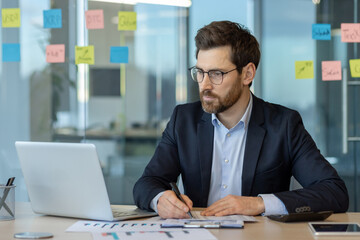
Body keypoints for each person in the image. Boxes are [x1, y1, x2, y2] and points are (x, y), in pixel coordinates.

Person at [133, 21, 349, 219]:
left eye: (216, 74)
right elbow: (146, 183)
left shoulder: (284, 124)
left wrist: (260, 204)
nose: (204, 85)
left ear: (247, 74)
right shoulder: (184, 120)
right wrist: (160, 199)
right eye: (200, 72)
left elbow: (333, 192)